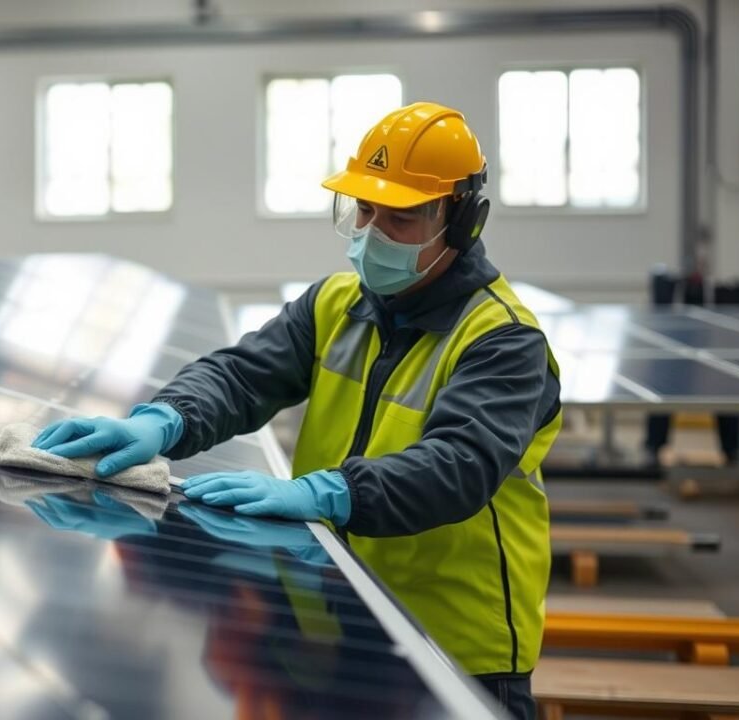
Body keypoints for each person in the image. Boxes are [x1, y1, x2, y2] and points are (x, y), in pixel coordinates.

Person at [32, 101, 562, 719]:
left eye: (402, 217)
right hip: (349, 630)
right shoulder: (336, 304)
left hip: (461, 652)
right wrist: (164, 419)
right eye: (364, 210)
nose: (373, 233)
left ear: (464, 221)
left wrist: (333, 493)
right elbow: (241, 374)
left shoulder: (503, 340)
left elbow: (460, 465)